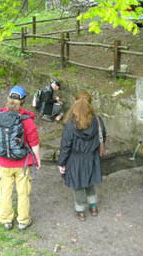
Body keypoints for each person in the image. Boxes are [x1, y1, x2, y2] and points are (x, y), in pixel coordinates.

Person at [0, 85, 41, 231]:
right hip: (22, 163)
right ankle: (23, 221)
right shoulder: (27, 119)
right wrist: (37, 160)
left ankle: (6, 220)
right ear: (23, 100)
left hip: (4, 163)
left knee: (5, 191)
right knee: (23, 192)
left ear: (8, 98)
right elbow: (34, 142)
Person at [58, 91, 106, 221]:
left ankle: (80, 211)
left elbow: (65, 146)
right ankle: (94, 207)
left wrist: (61, 162)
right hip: (92, 157)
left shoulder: (70, 126)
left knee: (78, 185)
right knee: (90, 183)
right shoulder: (98, 120)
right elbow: (103, 137)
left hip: (75, 160)